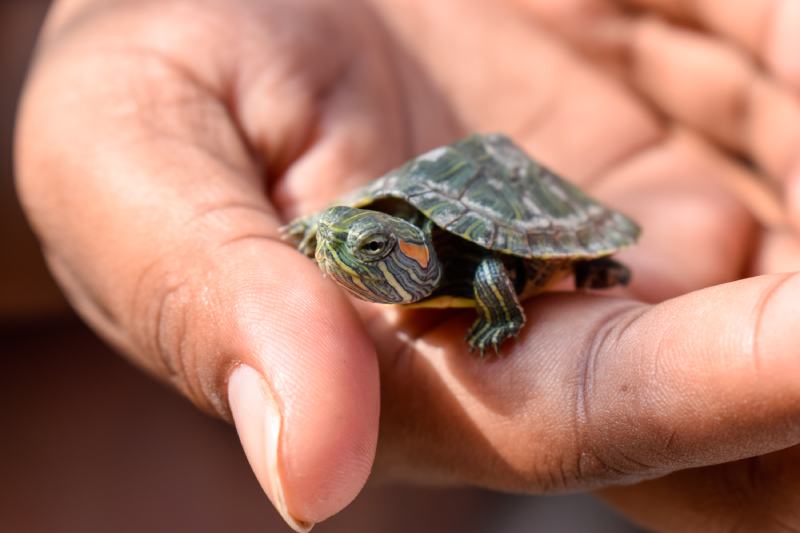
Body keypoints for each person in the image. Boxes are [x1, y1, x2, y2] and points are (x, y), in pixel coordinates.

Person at [14, 0, 800, 530]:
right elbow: (338, 229)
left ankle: (592, 262)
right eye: (356, 247)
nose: (348, 253)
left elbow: (494, 274)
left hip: (515, 216)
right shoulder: (367, 236)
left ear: (414, 250)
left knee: (568, 268)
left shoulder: (459, 261)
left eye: (375, 249)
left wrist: (500, 310)